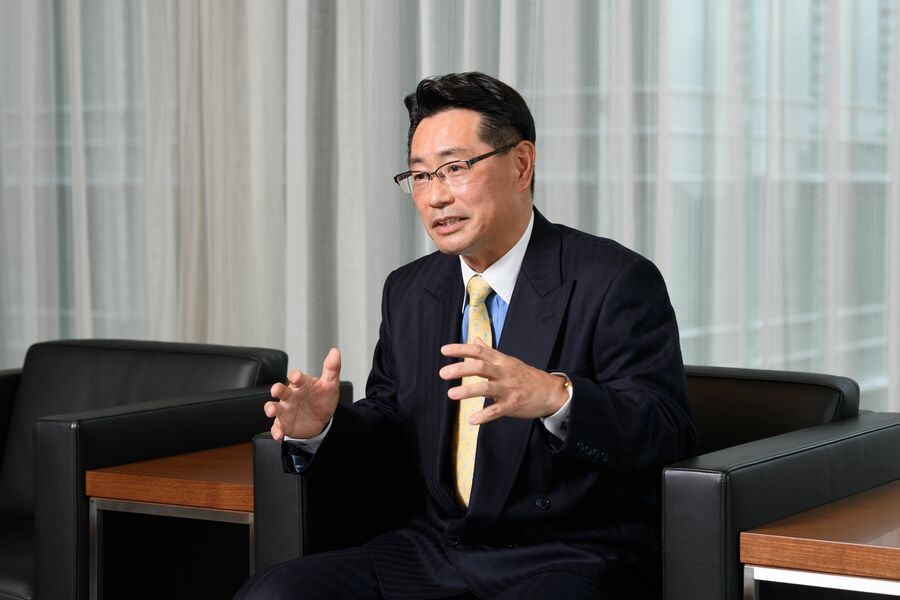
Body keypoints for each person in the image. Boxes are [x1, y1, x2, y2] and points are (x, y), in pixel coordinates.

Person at [235, 72, 698, 600]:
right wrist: (322, 428)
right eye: (420, 176)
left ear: (521, 164)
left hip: (567, 553)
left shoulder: (613, 279)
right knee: (275, 593)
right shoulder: (410, 289)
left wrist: (557, 397)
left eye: (455, 169)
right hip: (438, 549)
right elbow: (392, 426)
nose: (435, 197)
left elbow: (668, 432)